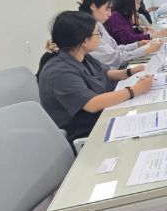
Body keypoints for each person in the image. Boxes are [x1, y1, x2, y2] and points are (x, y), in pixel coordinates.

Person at [37, 11, 153, 144]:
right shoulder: (59, 73)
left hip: (102, 115)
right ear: (84, 41)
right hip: (86, 131)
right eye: (98, 34)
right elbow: (92, 104)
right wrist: (135, 90)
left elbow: (102, 74)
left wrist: (129, 72)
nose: (100, 38)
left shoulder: (80, 55)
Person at [79, 0, 163, 68]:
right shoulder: (87, 29)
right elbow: (114, 58)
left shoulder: (98, 24)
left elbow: (115, 49)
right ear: (93, 6)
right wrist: (145, 50)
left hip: (114, 67)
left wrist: (137, 45)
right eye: (107, 9)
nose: (109, 14)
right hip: (111, 70)